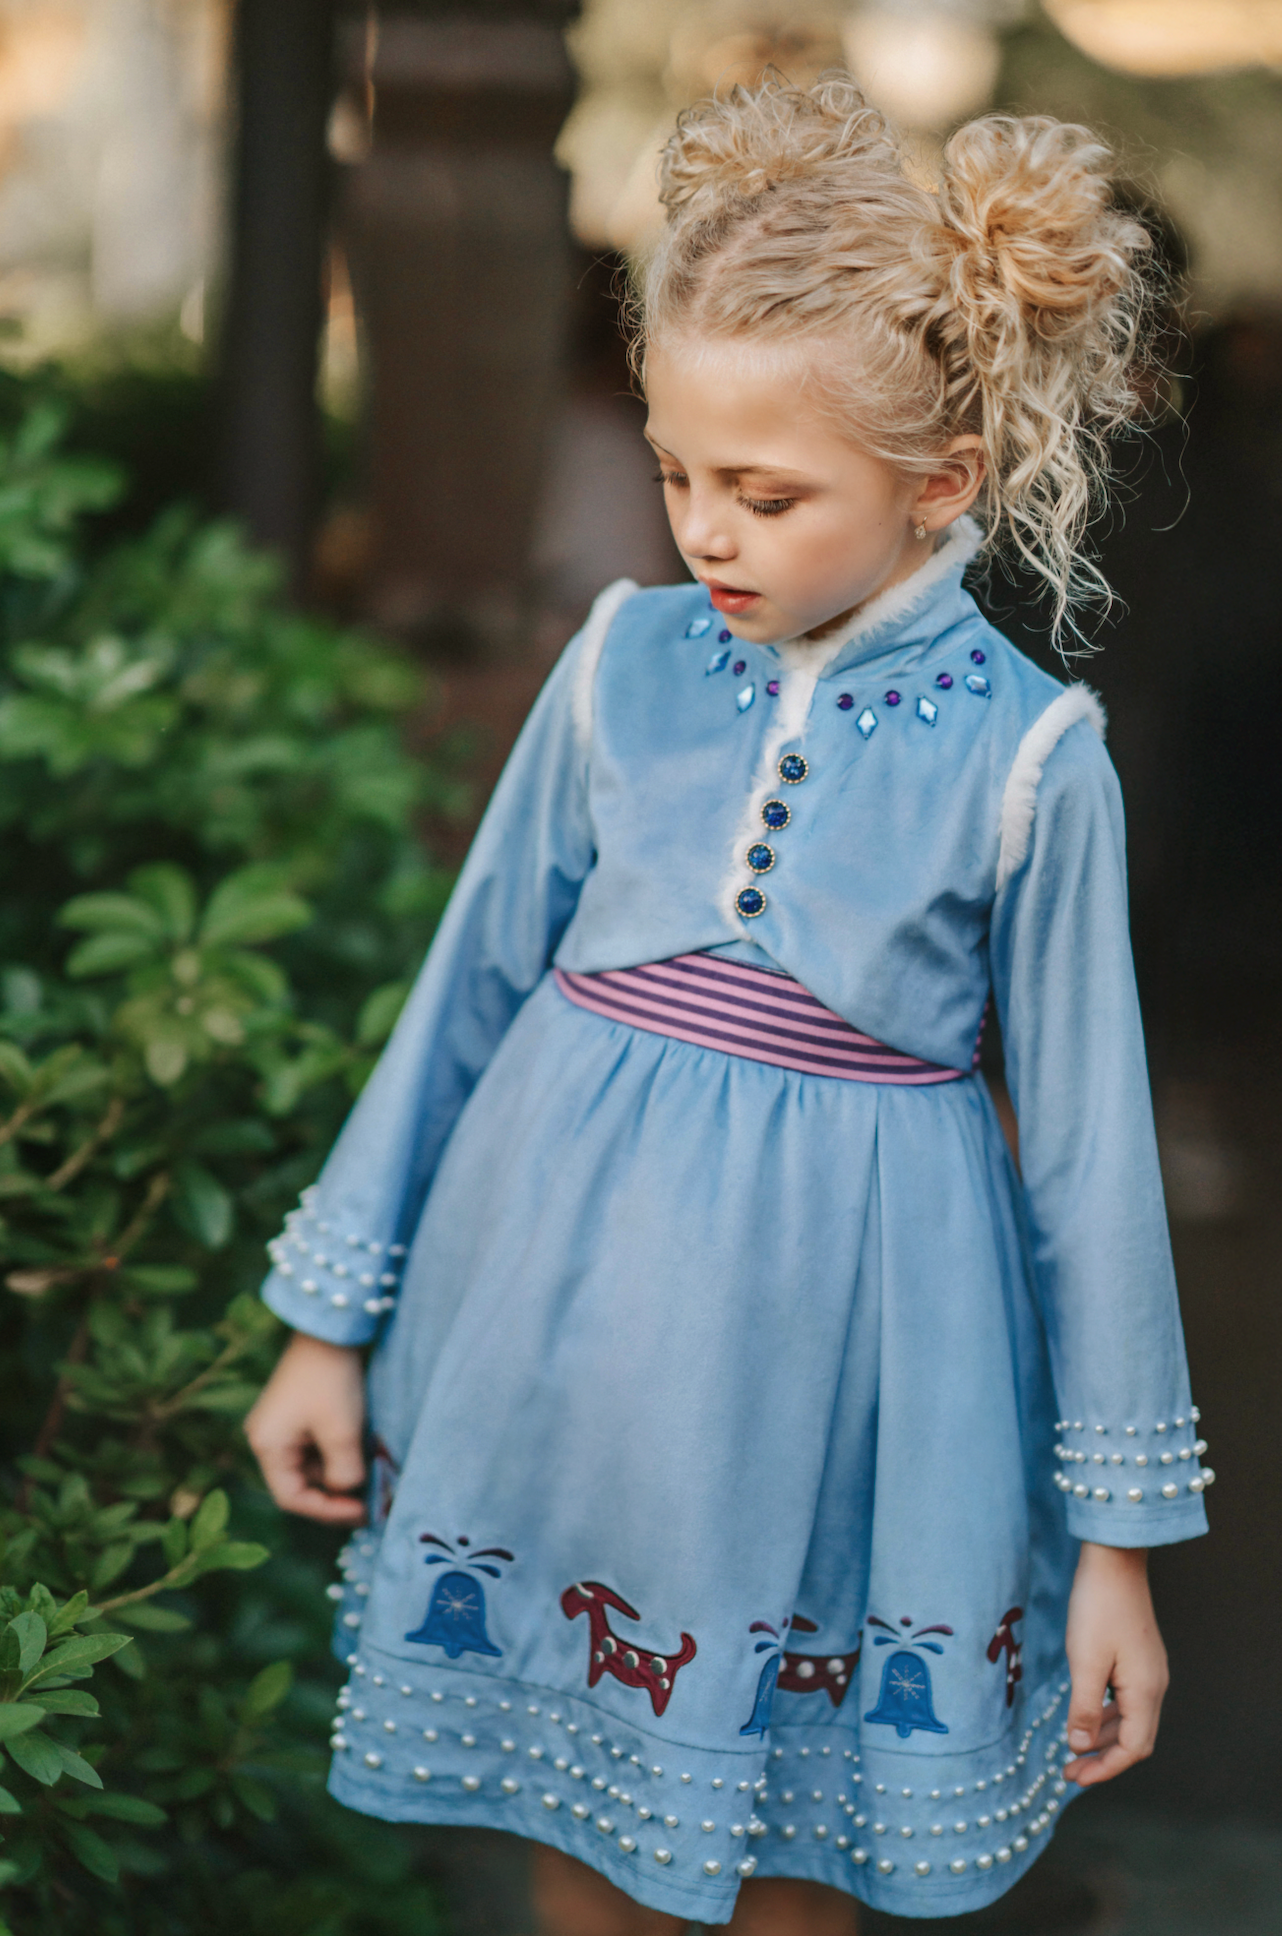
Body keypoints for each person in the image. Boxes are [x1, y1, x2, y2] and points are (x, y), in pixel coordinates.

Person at [245, 77, 1210, 1936]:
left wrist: (1117, 1552)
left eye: (766, 493)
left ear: (943, 484)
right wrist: (326, 1321)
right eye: (681, 472)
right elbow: (467, 993)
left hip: (856, 1393)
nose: (705, 530)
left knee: (797, 1861)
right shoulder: (617, 665)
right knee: (571, 1825)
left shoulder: (1032, 758)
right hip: (559, 1355)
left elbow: (1087, 1170)